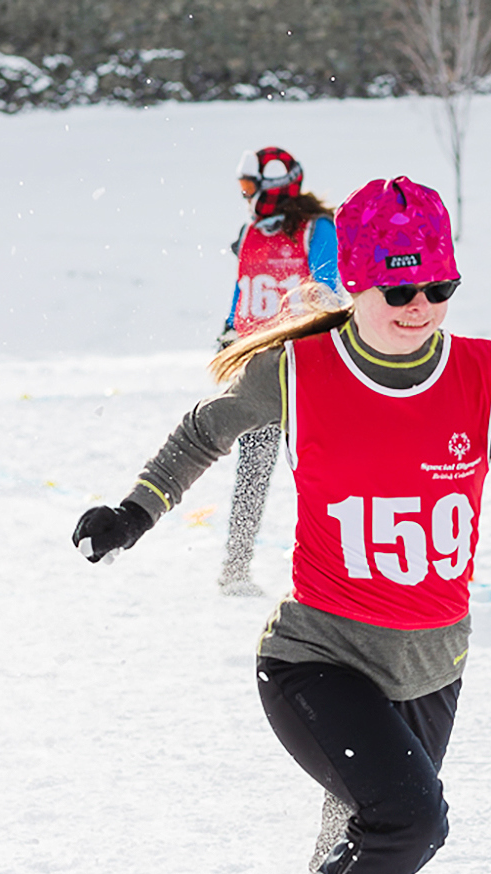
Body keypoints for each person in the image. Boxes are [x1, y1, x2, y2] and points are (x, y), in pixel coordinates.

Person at [73, 177, 491, 874]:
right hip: (317, 657)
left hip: (433, 669)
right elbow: (203, 432)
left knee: (358, 865)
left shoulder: (489, 374)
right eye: (401, 288)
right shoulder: (299, 371)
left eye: (440, 287)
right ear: (356, 282)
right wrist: (133, 511)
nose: (422, 306)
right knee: (410, 823)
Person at [219, 147, 339, 596]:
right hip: (261, 367)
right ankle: (235, 567)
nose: (245, 198)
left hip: (306, 368)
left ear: (271, 190)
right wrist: (231, 329)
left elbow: (327, 293)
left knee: (321, 471)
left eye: (249, 189)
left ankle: (336, 571)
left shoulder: (315, 231)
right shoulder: (249, 233)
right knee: (253, 466)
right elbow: (243, 289)